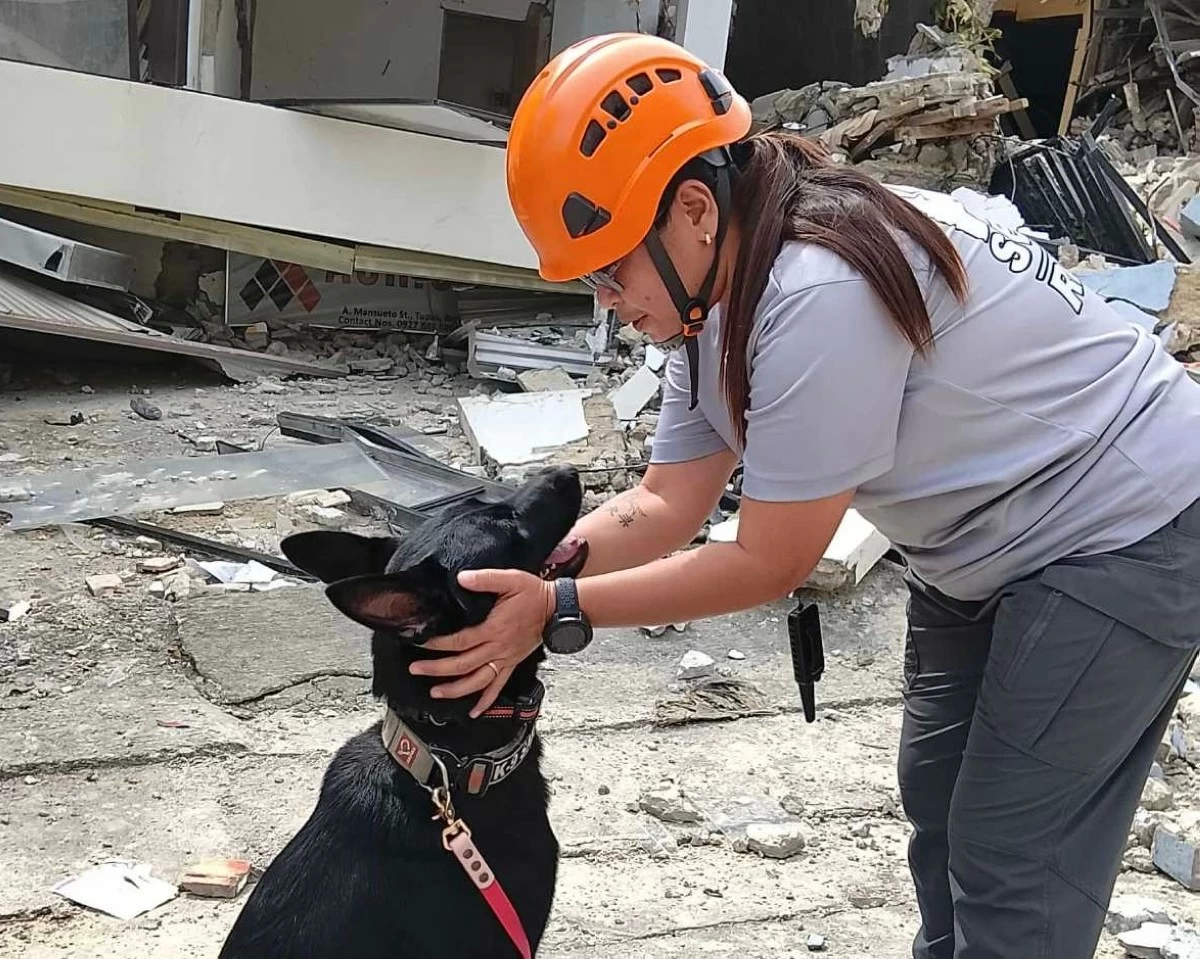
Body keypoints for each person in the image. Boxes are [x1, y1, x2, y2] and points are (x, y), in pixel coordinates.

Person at [408, 32, 1200, 959]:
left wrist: (557, 611)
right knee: (941, 805)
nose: (605, 300)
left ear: (693, 210)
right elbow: (668, 503)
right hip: (986, 538)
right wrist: (529, 573)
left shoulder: (816, 290)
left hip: (1124, 526)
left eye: (608, 268)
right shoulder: (712, 305)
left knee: (1014, 856)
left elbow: (770, 558)